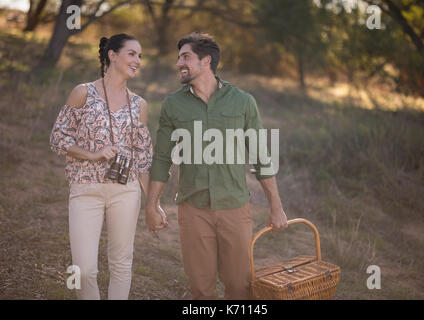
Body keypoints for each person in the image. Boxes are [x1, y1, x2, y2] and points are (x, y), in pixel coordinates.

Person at [145, 32, 288, 300]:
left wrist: (276, 207)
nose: (179, 64)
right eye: (178, 58)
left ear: (206, 60)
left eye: (185, 57)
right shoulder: (173, 105)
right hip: (193, 208)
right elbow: (162, 158)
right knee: (200, 288)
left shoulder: (243, 102)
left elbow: (261, 157)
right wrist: (152, 205)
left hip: (234, 206)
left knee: (240, 286)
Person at [49, 34, 152, 300]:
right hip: (85, 189)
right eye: (132, 54)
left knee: (121, 263)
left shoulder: (139, 105)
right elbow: (58, 137)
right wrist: (93, 155)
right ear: (112, 55)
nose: (137, 61)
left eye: (140, 56)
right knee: (83, 270)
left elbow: (142, 157)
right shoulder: (83, 92)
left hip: (125, 191)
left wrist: (153, 202)